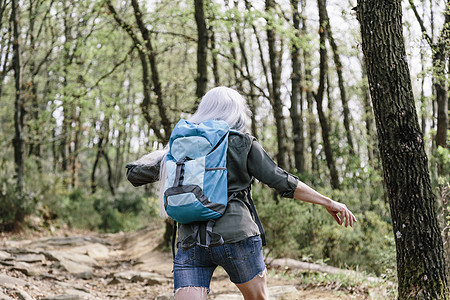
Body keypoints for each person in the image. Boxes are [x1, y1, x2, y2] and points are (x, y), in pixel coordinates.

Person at [126, 86, 357, 300]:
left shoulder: (180, 147)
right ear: (236, 113)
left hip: (190, 240)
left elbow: (135, 174)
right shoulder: (240, 142)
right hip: (236, 236)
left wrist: (166, 156)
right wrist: (328, 202)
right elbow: (281, 180)